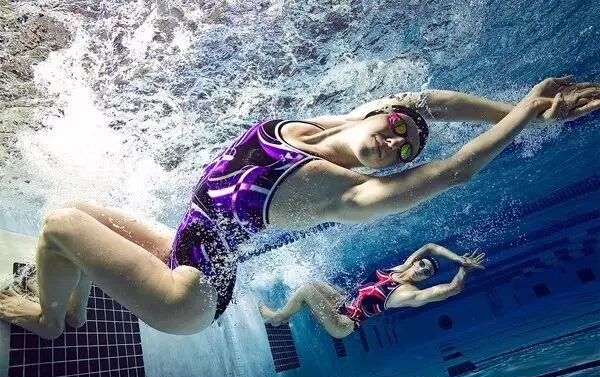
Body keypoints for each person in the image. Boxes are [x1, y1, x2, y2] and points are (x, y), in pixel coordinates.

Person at [0, 76, 598, 339]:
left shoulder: (349, 193)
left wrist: (527, 111)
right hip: (185, 249)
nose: (395, 143)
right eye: (396, 127)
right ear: (379, 111)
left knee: (59, 225)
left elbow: (456, 169)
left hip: (192, 296)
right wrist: (518, 111)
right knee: (74, 208)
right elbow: (430, 104)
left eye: (405, 152)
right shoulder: (326, 125)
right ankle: (74, 310)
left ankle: (49, 320)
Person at [258, 244, 485, 338]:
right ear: (416, 262)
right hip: (341, 302)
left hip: (344, 323)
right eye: (422, 265)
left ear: (426, 279)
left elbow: (453, 288)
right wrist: (458, 258)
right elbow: (430, 247)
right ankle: (302, 311)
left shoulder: (408, 294)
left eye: (427, 273)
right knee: (313, 283)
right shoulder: (399, 269)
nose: (421, 270)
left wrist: (464, 269)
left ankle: (278, 318)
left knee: (307, 290)